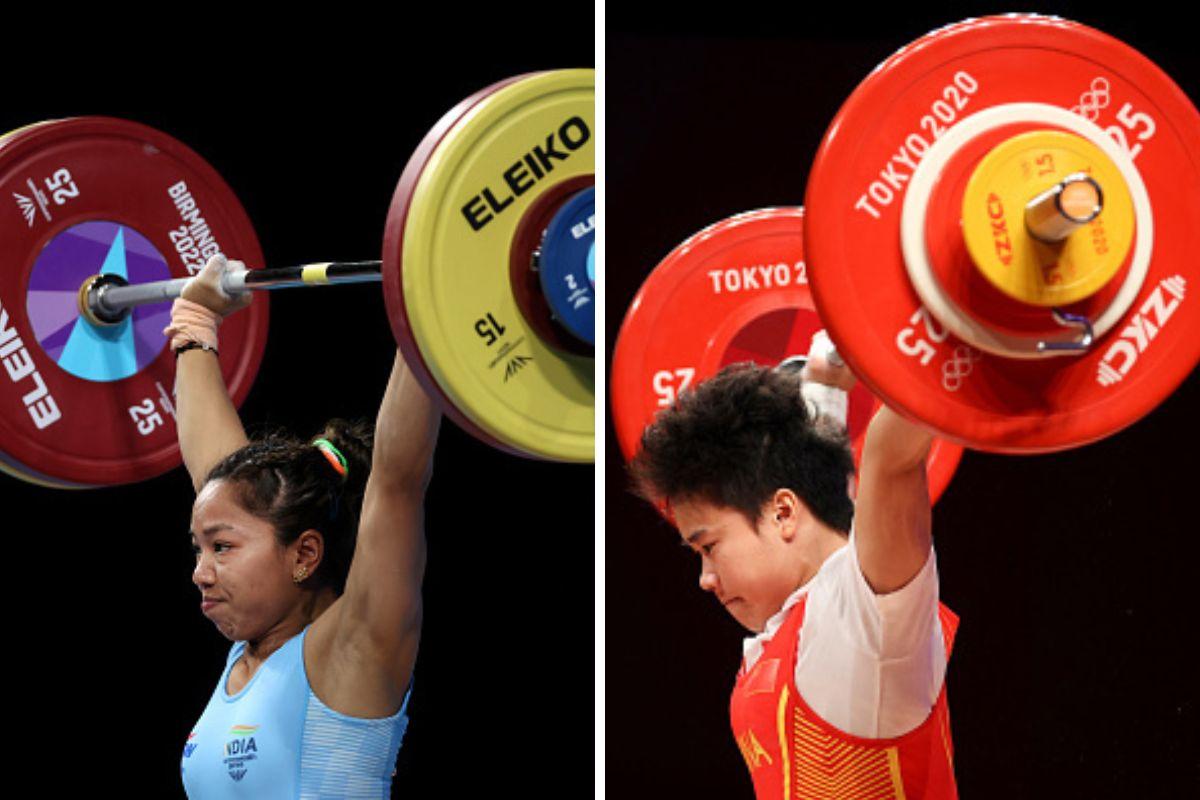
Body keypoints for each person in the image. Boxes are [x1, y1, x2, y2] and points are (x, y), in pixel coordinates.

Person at [629, 333, 958, 799]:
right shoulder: (797, 626)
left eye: (709, 546)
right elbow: (826, 495)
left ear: (782, 513)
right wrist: (825, 383)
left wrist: (938, 337)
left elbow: (891, 459)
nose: (704, 579)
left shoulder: (866, 625)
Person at [171, 254, 440, 798]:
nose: (201, 573)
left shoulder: (355, 647)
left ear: (305, 554)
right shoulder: (248, 655)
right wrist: (195, 325)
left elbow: (397, 478)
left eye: (221, 549)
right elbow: (217, 483)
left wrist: (429, 308)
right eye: (199, 549)